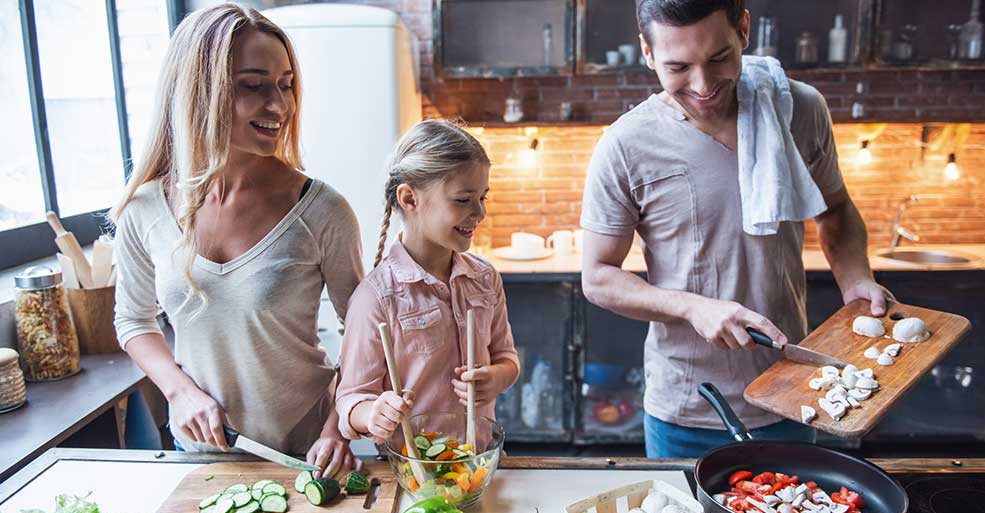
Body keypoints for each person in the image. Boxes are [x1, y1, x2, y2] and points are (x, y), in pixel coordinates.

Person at [580, 0, 891, 458]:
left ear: (744, 29)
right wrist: (692, 307)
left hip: (791, 393)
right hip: (685, 405)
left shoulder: (799, 109)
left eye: (719, 58)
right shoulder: (626, 144)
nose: (703, 85)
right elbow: (598, 276)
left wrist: (856, 277)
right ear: (647, 52)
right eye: (678, 67)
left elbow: (836, 210)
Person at [112, 4, 364, 477]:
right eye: (253, 86)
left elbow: (366, 335)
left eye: (286, 85)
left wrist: (338, 428)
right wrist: (180, 392)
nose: (281, 106)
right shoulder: (144, 208)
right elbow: (133, 319)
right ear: (199, 91)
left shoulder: (323, 210)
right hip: (202, 451)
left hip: (309, 453)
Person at [336, 120, 519, 444]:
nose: (479, 212)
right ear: (409, 199)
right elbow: (350, 401)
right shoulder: (376, 298)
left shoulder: (485, 279)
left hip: (479, 460)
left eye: (482, 197)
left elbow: (507, 357)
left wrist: (497, 377)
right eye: (463, 200)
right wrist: (373, 413)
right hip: (414, 472)